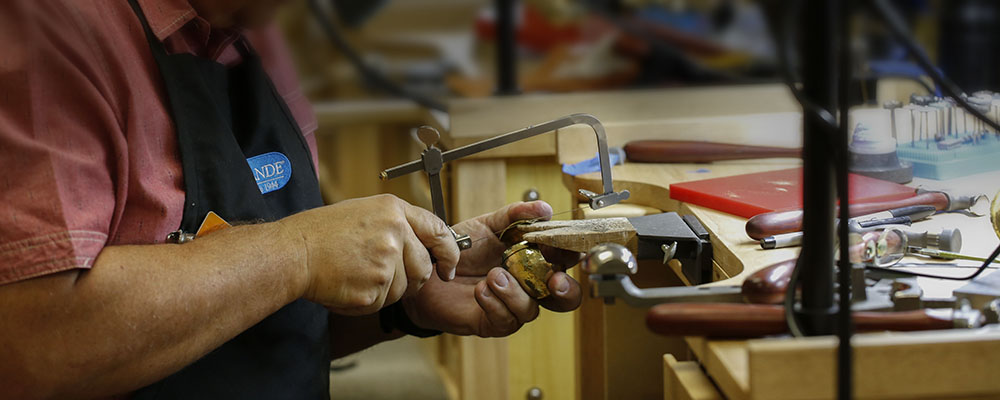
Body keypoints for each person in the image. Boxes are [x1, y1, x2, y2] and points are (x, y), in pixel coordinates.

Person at [0, 0, 583, 398]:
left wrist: (405, 302)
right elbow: (31, 345)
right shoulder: (48, 28)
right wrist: (298, 251)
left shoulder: (263, 36)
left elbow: (246, 325)